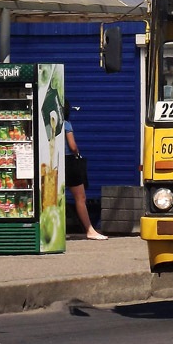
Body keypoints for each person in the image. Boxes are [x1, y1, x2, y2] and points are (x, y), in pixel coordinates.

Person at [65, 102, 107, 240]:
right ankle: (89, 230)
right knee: (80, 198)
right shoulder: (66, 124)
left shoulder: (50, 123)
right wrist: (77, 153)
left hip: (54, 162)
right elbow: (72, 146)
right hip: (69, 162)